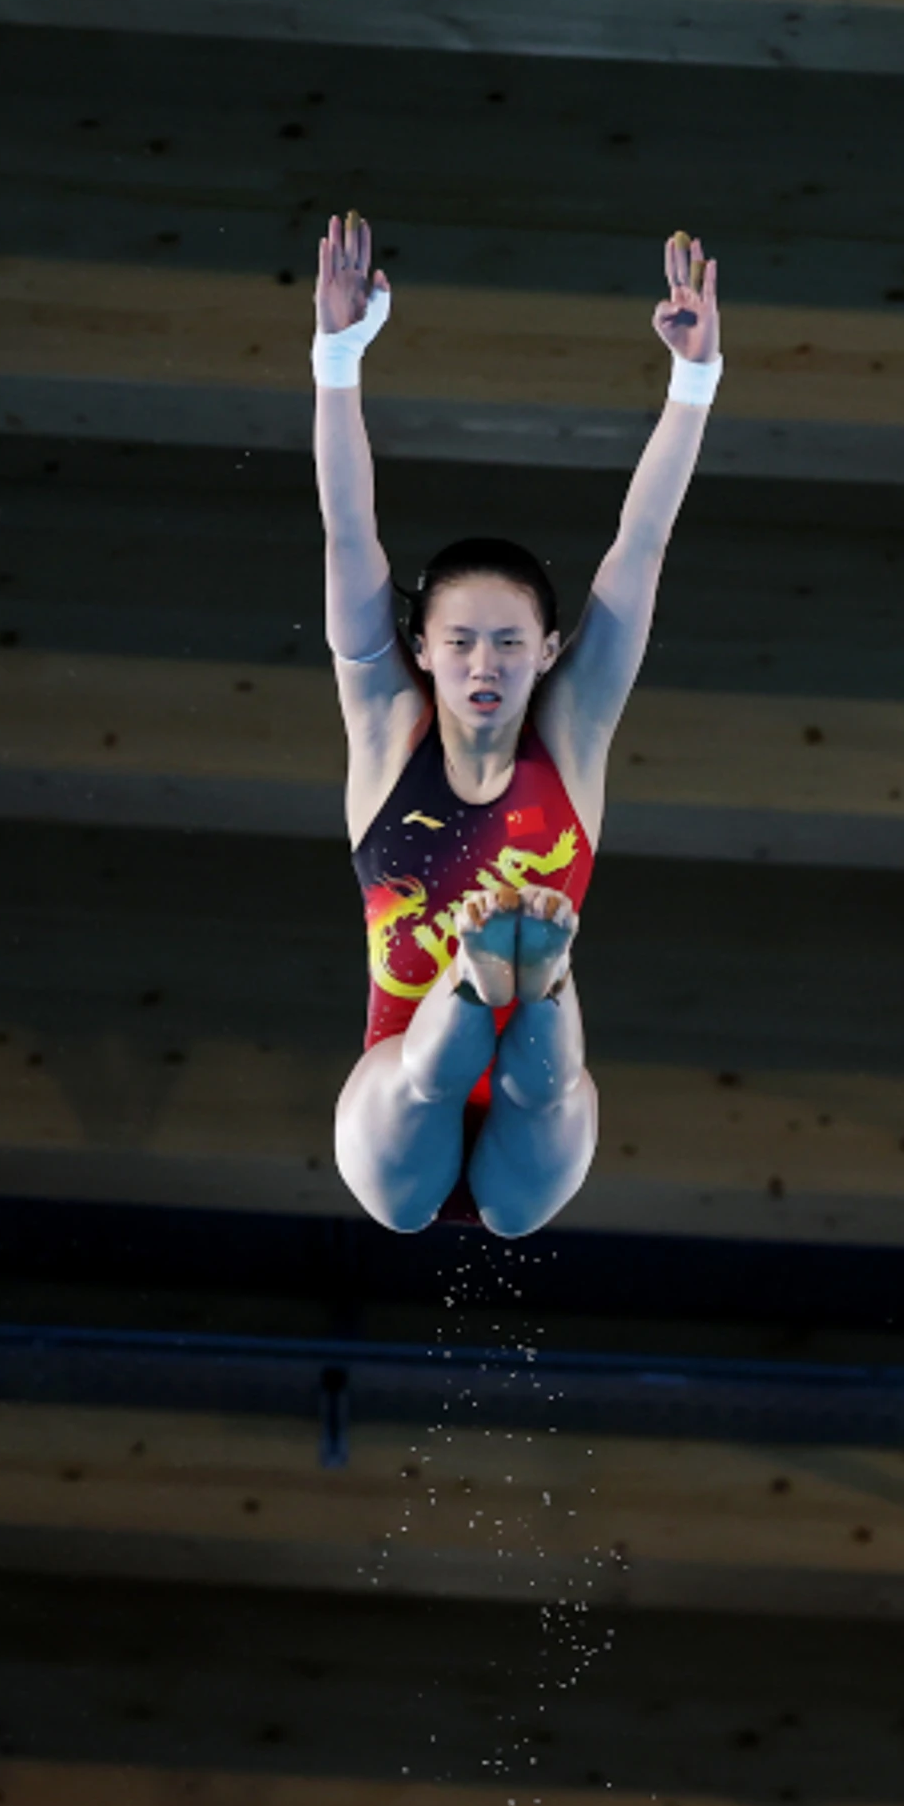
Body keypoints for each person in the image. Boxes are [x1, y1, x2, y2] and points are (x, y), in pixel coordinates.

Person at [310, 213, 721, 1233]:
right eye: (459, 643)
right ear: (420, 652)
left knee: (548, 1091)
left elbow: (644, 541)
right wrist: (337, 357)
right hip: (396, 1084)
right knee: (417, 1093)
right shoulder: (382, 723)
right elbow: (347, 530)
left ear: (548, 653)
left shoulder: (571, 728)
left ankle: (519, 979)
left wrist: (694, 383)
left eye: (507, 643)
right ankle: (486, 978)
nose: (483, 665)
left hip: (530, 1118)